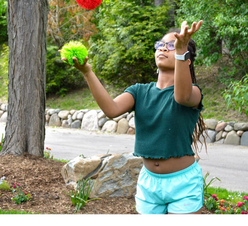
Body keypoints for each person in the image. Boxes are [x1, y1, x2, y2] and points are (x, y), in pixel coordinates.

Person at [61, 20, 207, 214]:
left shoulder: (193, 93)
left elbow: (181, 97)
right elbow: (111, 110)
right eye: (161, 44)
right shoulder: (139, 91)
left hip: (184, 184)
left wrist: (180, 51)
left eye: (171, 45)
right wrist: (87, 72)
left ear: (186, 59)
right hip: (149, 182)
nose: (163, 48)